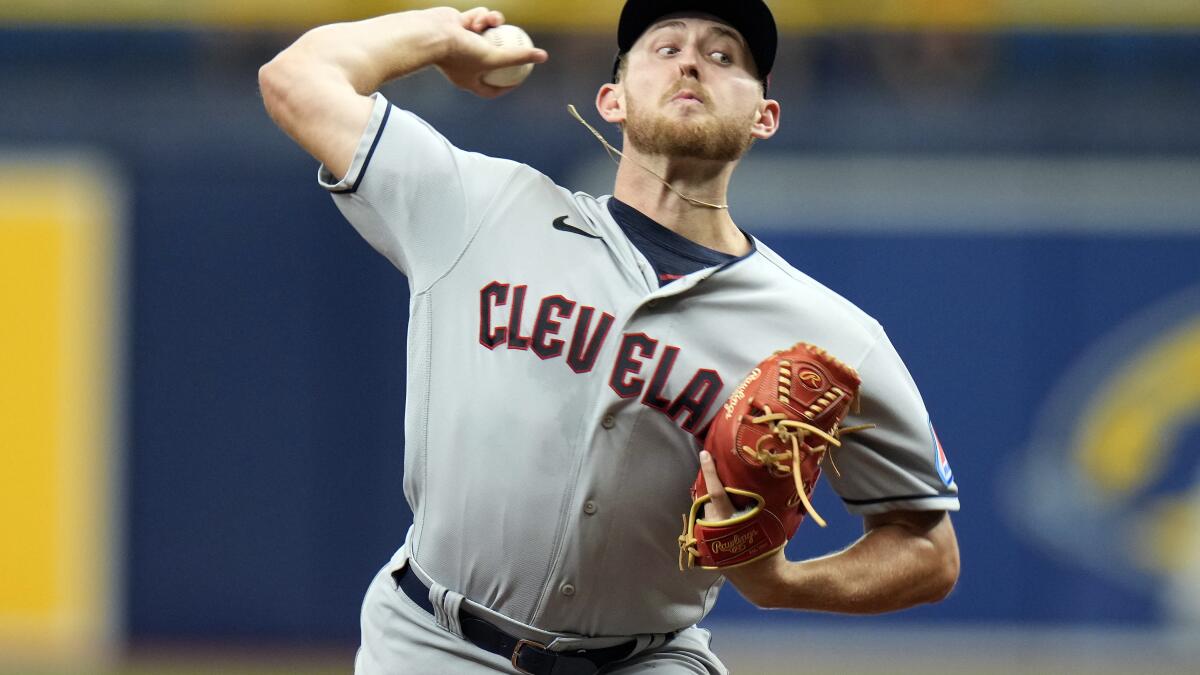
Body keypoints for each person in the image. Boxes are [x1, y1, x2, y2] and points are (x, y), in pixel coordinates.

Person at [259, 1, 960, 673]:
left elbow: (930, 549)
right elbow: (295, 79)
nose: (692, 63)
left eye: (724, 55)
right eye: (666, 47)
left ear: (764, 118)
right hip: (431, 643)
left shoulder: (828, 334)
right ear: (612, 98)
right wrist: (442, 35)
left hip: (647, 658)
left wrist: (783, 582)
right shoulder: (481, 207)